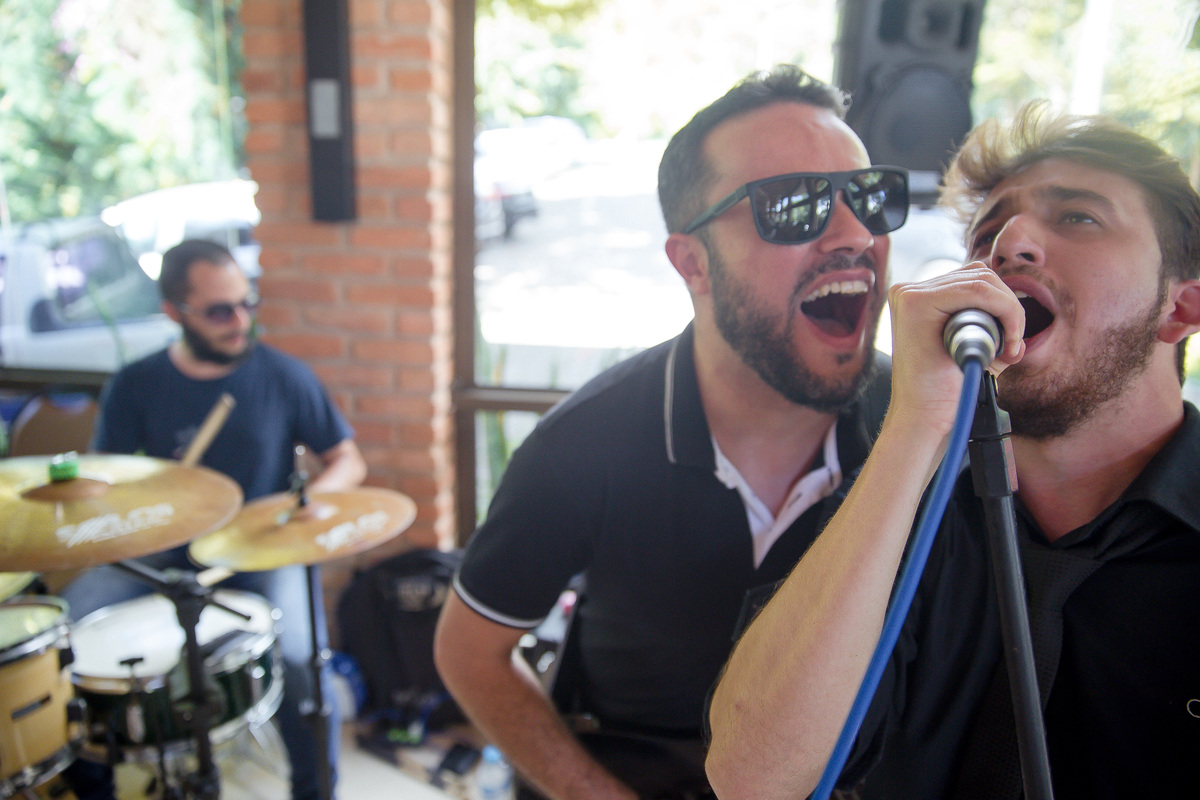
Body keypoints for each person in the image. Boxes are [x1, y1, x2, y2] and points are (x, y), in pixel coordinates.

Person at [434, 65, 906, 800]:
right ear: (693, 263)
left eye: (870, 199)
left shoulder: (917, 429)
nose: (854, 235)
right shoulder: (581, 449)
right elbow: (470, 652)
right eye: (792, 205)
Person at [705, 102, 1200, 800]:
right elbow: (752, 780)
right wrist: (916, 425)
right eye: (988, 231)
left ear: (1182, 308)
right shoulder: (907, 506)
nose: (1009, 243)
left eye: (1079, 217)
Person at [60, 238, 367, 800]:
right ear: (174, 312)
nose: (240, 321)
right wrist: (151, 490)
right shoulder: (134, 386)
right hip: (158, 551)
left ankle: (315, 791)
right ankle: (92, 786)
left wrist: (307, 501)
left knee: (302, 659)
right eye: (221, 310)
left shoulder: (283, 376)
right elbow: (108, 489)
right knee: (63, 641)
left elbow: (347, 457)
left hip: (256, 548)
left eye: (247, 304)